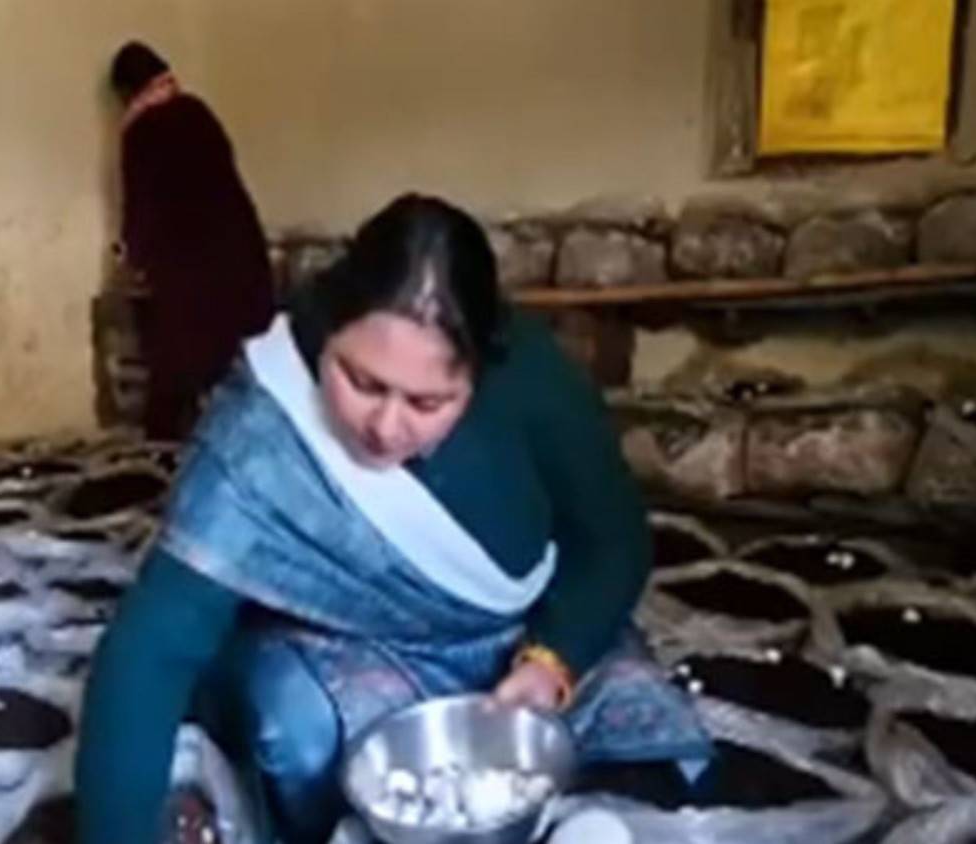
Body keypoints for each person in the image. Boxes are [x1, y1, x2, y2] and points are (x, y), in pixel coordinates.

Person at [77, 195, 699, 844]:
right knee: (294, 730)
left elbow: (615, 541)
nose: (385, 426)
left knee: (628, 723)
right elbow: (154, 648)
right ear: (328, 331)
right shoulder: (263, 426)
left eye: (428, 402)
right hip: (345, 650)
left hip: (517, 644)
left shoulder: (536, 381)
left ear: (480, 374)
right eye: (362, 382)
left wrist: (551, 660)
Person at [110, 41, 275, 440]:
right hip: (241, 261)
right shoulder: (198, 112)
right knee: (239, 374)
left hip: (189, 274)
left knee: (174, 380)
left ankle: (160, 467)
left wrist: (135, 259)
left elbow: (142, 208)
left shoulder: (141, 131)